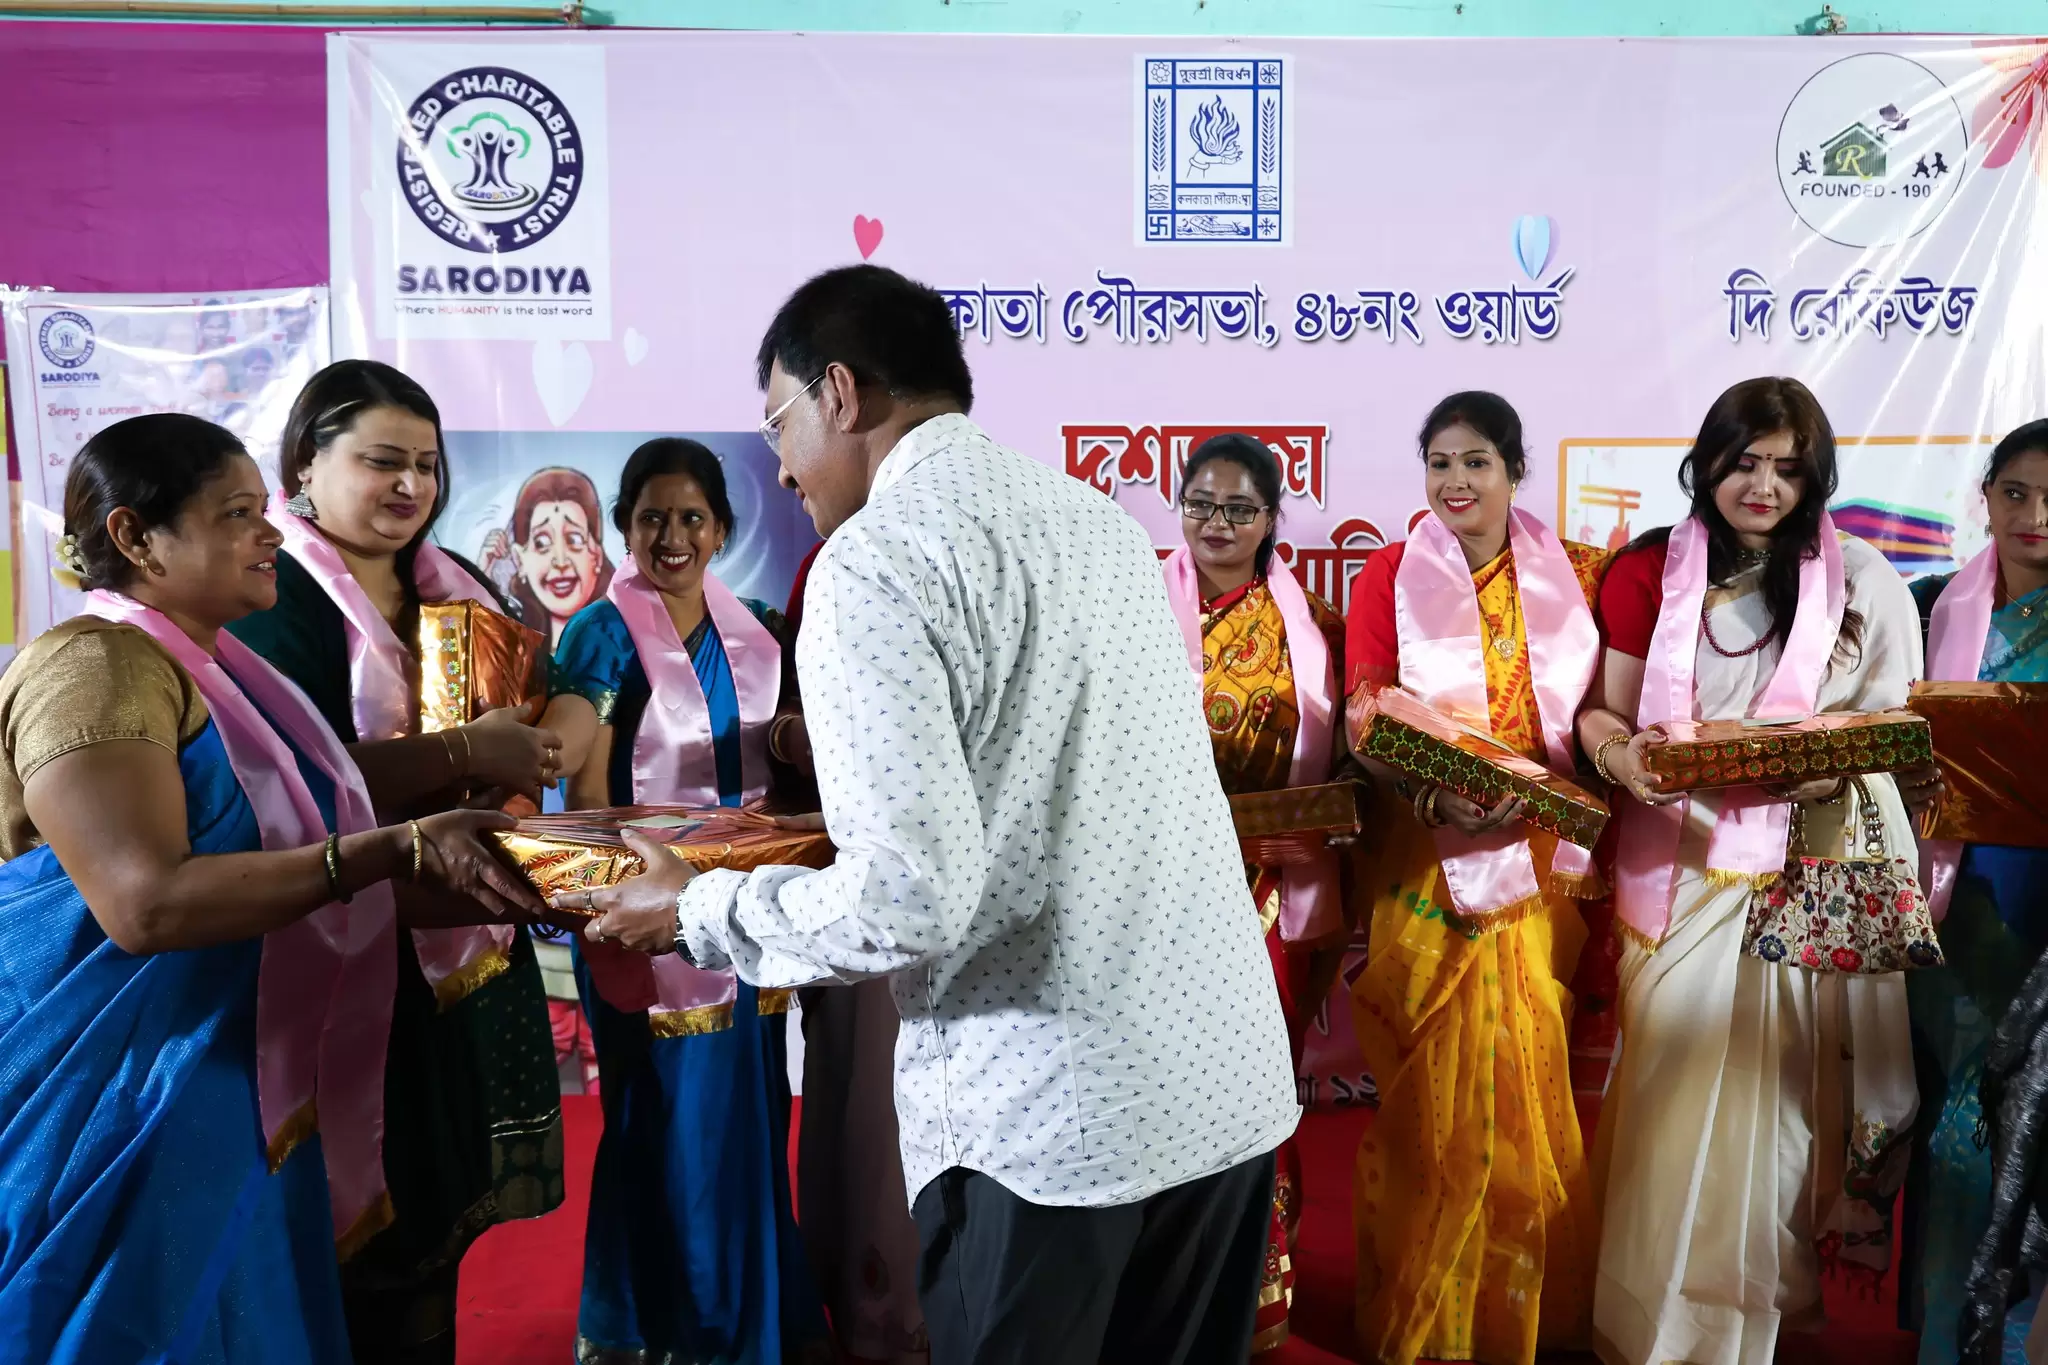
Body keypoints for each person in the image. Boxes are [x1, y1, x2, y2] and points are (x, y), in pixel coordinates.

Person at [560, 264, 1300, 1365]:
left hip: (1054, 1124)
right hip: (1222, 1092)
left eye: (779, 423)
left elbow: (909, 897)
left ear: (839, 393)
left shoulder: (875, 559)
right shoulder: (1098, 522)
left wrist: (698, 910)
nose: (780, 466)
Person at [0, 413, 535, 1364]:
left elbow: (302, 865)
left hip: (239, 1074)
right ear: (134, 536)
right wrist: (389, 849)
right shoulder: (92, 666)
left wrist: (550, 884)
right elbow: (145, 904)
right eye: (238, 514)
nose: (272, 534)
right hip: (122, 1096)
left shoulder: (228, 675)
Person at [1578, 376, 1929, 1365]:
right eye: (1743, 463)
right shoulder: (1650, 569)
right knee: (1664, 1097)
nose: (1762, 487)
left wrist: (1827, 767)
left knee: (1773, 1121)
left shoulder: (1863, 580)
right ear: (1707, 463)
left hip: (1797, 876)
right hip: (1675, 873)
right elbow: (1601, 713)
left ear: (1815, 478)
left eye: (1786, 468)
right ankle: (1644, 1323)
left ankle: (1738, 1331)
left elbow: (1899, 735)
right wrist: (1620, 758)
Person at [226, 360, 565, 1365]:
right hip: (333, 948)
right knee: (340, 1233)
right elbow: (290, 780)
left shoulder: (451, 579)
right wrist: (465, 753)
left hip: (453, 949)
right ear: (305, 462)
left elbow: (519, 712)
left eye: (426, 463)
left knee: (428, 1224)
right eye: (382, 461)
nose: (411, 485)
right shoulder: (271, 591)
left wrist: (518, 768)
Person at [536, 437, 831, 1365]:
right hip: (638, 912)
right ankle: (679, 1331)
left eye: (691, 517)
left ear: (721, 530)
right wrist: (530, 752)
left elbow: (779, 758)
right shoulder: (601, 631)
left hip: (744, 910)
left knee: (749, 1116)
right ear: (624, 529)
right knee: (666, 1121)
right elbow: (584, 775)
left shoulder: (759, 632)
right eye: (652, 517)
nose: (672, 536)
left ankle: (750, 1319)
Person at [1343, 392, 1606, 1365]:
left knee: (1519, 1073)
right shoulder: (1386, 573)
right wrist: (1434, 797)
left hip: (1536, 861)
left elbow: (1597, 713)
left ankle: (1514, 1311)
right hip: (1429, 851)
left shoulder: (1577, 575)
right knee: (1435, 1099)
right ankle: (1433, 1317)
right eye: (1439, 463)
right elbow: (1364, 714)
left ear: (1514, 471)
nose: (1455, 482)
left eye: (1476, 462)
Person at [1162, 431, 1350, 1355]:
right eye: (1201, 503)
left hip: (1266, 893)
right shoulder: (1132, 608)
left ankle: (1259, 1279)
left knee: (1255, 1088)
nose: (1218, 523)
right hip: (1156, 891)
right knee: (1164, 1087)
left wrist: (1310, 826)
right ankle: (1165, 1276)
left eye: (1239, 508)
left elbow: (1346, 770)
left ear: (1272, 517)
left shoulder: (1313, 627)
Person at [1900, 418, 2048, 1363]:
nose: (2037, 515)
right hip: (1957, 902)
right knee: (1964, 1132)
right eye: (2017, 492)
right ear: (1986, 497)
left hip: (2043, 915)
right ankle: (1953, 1340)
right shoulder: (1928, 608)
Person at [781, 538, 932, 1364]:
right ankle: (864, 1310)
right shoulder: (829, 566)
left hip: (949, 885)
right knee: (861, 1093)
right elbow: (783, 717)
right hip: (854, 874)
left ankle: (917, 1315)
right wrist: (801, 739)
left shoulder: (956, 555)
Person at [480, 466, 614, 647]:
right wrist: (479, 580)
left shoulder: (625, 645)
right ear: (520, 560)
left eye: (574, 539)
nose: (560, 561)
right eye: (541, 543)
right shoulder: (513, 649)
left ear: (597, 555)